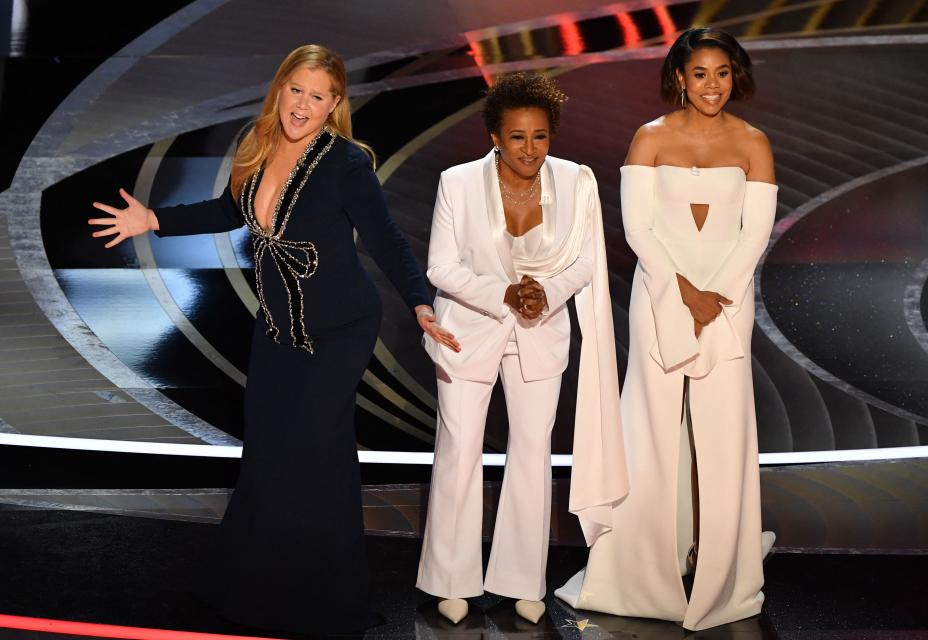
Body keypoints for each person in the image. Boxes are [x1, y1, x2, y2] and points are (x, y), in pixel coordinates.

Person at [88, 44, 456, 636]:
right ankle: (252, 585)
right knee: (267, 456)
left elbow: (385, 237)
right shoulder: (257, 150)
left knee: (315, 458)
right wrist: (152, 220)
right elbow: (228, 212)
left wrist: (420, 302)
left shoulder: (345, 163)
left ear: (335, 104)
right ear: (279, 88)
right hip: (278, 331)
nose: (303, 105)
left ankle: (324, 600)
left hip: (338, 332)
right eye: (296, 90)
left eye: (318, 96)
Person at [555, 27, 778, 631]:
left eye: (723, 72)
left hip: (728, 303)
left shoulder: (754, 142)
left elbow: (754, 235)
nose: (712, 85)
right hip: (661, 297)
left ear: (737, 76)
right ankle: (642, 573)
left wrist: (716, 296)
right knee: (652, 431)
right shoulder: (648, 138)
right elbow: (638, 229)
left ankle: (721, 574)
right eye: (700, 73)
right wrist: (684, 293)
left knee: (724, 436)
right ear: (680, 76)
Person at [417, 72, 627, 626]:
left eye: (539, 136)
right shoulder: (456, 183)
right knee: (459, 449)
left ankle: (520, 581)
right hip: (468, 330)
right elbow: (441, 266)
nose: (530, 149)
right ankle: (451, 580)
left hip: (540, 333)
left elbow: (585, 261)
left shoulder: (576, 181)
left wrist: (547, 292)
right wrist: (503, 294)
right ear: (494, 136)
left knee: (532, 452)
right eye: (517, 137)